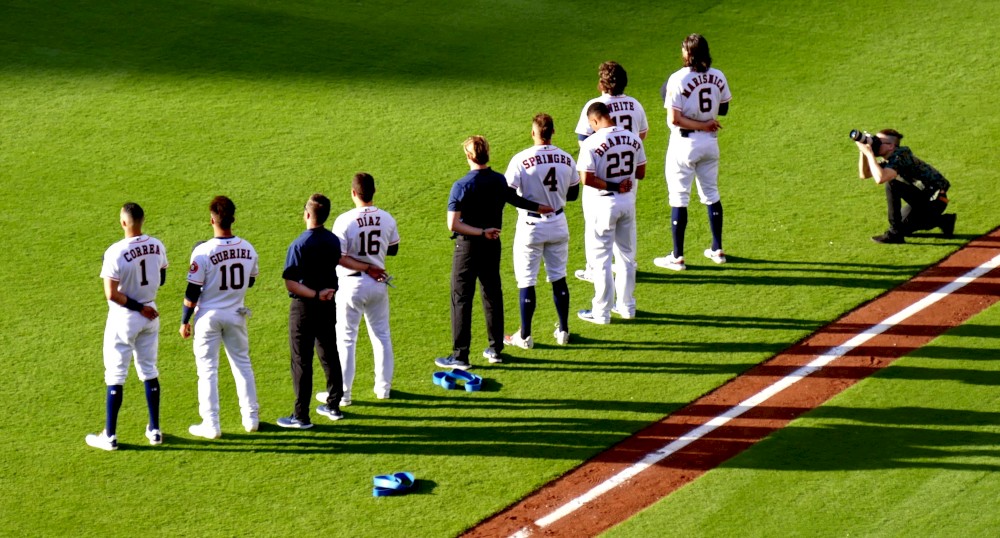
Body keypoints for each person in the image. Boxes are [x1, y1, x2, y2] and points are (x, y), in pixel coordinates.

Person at [434, 135, 553, 370]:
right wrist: (540, 207)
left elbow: (453, 225)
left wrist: (480, 231)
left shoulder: (461, 185)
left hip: (467, 247)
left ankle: (460, 356)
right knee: (492, 295)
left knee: (461, 299)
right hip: (492, 245)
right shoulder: (499, 181)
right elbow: (515, 199)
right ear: (487, 153)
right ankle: (496, 349)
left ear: (469, 156)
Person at [86, 203, 168, 451]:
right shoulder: (158, 245)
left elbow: (111, 293)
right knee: (149, 370)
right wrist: (144, 302)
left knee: (116, 374)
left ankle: (109, 436)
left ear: (123, 222)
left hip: (125, 317)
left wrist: (136, 303)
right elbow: (161, 278)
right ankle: (154, 430)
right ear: (143, 220)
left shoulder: (115, 251)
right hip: (150, 313)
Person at [180, 196, 260, 439]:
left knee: (207, 371)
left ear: (211, 219)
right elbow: (251, 281)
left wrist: (185, 320)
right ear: (233, 218)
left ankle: (211, 424)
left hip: (208, 317)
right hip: (236, 313)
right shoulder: (248, 248)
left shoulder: (202, 251)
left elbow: (192, 293)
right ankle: (251, 418)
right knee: (242, 365)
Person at [653, 33, 732, 271]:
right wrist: (706, 120)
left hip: (684, 144)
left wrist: (699, 121)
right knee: (711, 194)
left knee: (679, 198)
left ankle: (677, 257)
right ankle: (717, 250)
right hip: (710, 143)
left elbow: (675, 119)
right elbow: (724, 108)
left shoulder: (677, 78)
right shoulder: (718, 75)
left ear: (688, 54)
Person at [503, 114, 579, 348]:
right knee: (558, 278)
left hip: (531, 226)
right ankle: (564, 331)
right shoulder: (567, 158)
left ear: (533, 133)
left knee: (527, 281)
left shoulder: (521, 159)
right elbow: (574, 194)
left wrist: (535, 204)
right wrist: (552, 199)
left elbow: (506, 194)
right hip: (558, 223)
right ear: (553, 132)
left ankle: (524, 336)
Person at [574, 61, 649, 283]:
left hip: (600, 175)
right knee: (627, 222)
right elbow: (641, 136)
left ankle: (593, 269)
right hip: (628, 174)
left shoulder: (595, 105)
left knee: (595, 224)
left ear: (602, 83)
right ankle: (627, 266)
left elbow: (583, 139)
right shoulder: (635, 104)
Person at [328, 173, 400, 403]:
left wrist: (363, 264)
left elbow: (337, 257)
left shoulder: (344, 220)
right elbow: (393, 250)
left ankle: (344, 395)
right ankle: (383, 389)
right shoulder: (387, 218)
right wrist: (371, 262)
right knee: (382, 336)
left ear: (353, 193)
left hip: (350, 285)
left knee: (347, 339)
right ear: (373, 192)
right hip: (377, 284)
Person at [577, 102, 647, 324]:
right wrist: (621, 184)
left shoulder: (591, 143)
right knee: (626, 256)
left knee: (602, 260)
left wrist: (613, 185)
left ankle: (601, 312)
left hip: (602, 204)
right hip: (627, 202)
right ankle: (627, 307)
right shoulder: (633, 138)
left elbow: (586, 179)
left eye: (591, 124)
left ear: (596, 120)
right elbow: (641, 172)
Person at [277, 194, 342, 430]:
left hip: (304, 307)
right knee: (329, 353)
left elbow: (291, 283)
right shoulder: (333, 240)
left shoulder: (299, 244)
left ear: (307, 214)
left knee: (301, 360)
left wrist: (314, 294)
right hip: (328, 303)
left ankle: (301, 416)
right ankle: (334, 405)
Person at [856, 129, 955, 243]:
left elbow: (881, 178)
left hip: (936, 200)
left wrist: (869, 153)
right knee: (904, 227)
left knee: (892, 182)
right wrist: (863, 152)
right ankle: (944, 221)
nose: (874, 143)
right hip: (924, 199)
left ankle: (895, 234)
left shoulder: (901, 156)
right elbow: (864, 174)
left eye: (877, 141)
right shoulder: (890, 159)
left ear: (891, 146)